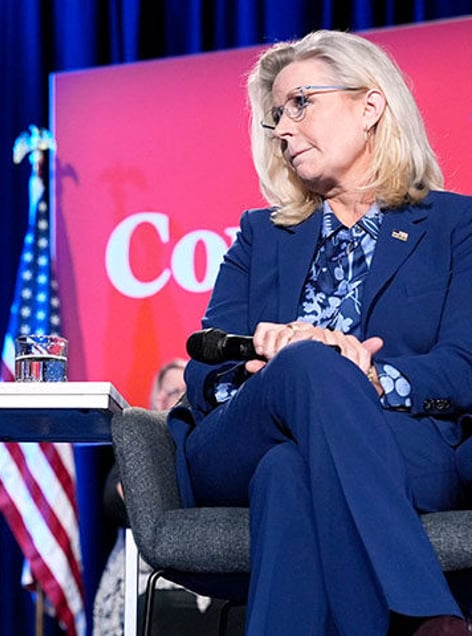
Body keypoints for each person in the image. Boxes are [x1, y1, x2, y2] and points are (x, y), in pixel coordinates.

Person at [170, 30, 472, 636]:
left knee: (287, 474)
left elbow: (463, 367)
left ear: (370, 106)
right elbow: (204, 362)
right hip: (244, 436)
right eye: (275, 115)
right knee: (307, 364)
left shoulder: (454, 224)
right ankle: (424, 610)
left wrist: (370, 372)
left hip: (399, 441)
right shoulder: (262, 232)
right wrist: (262, 367)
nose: (283, 127)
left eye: (301, 102)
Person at [94, 359, 210, 634]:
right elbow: (115, 501)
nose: (182, 401)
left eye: (188, 394)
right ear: (159, 399)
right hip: (145, 579)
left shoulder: (209, 449)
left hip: (201, 581)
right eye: (174, 393)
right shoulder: (138, 449)